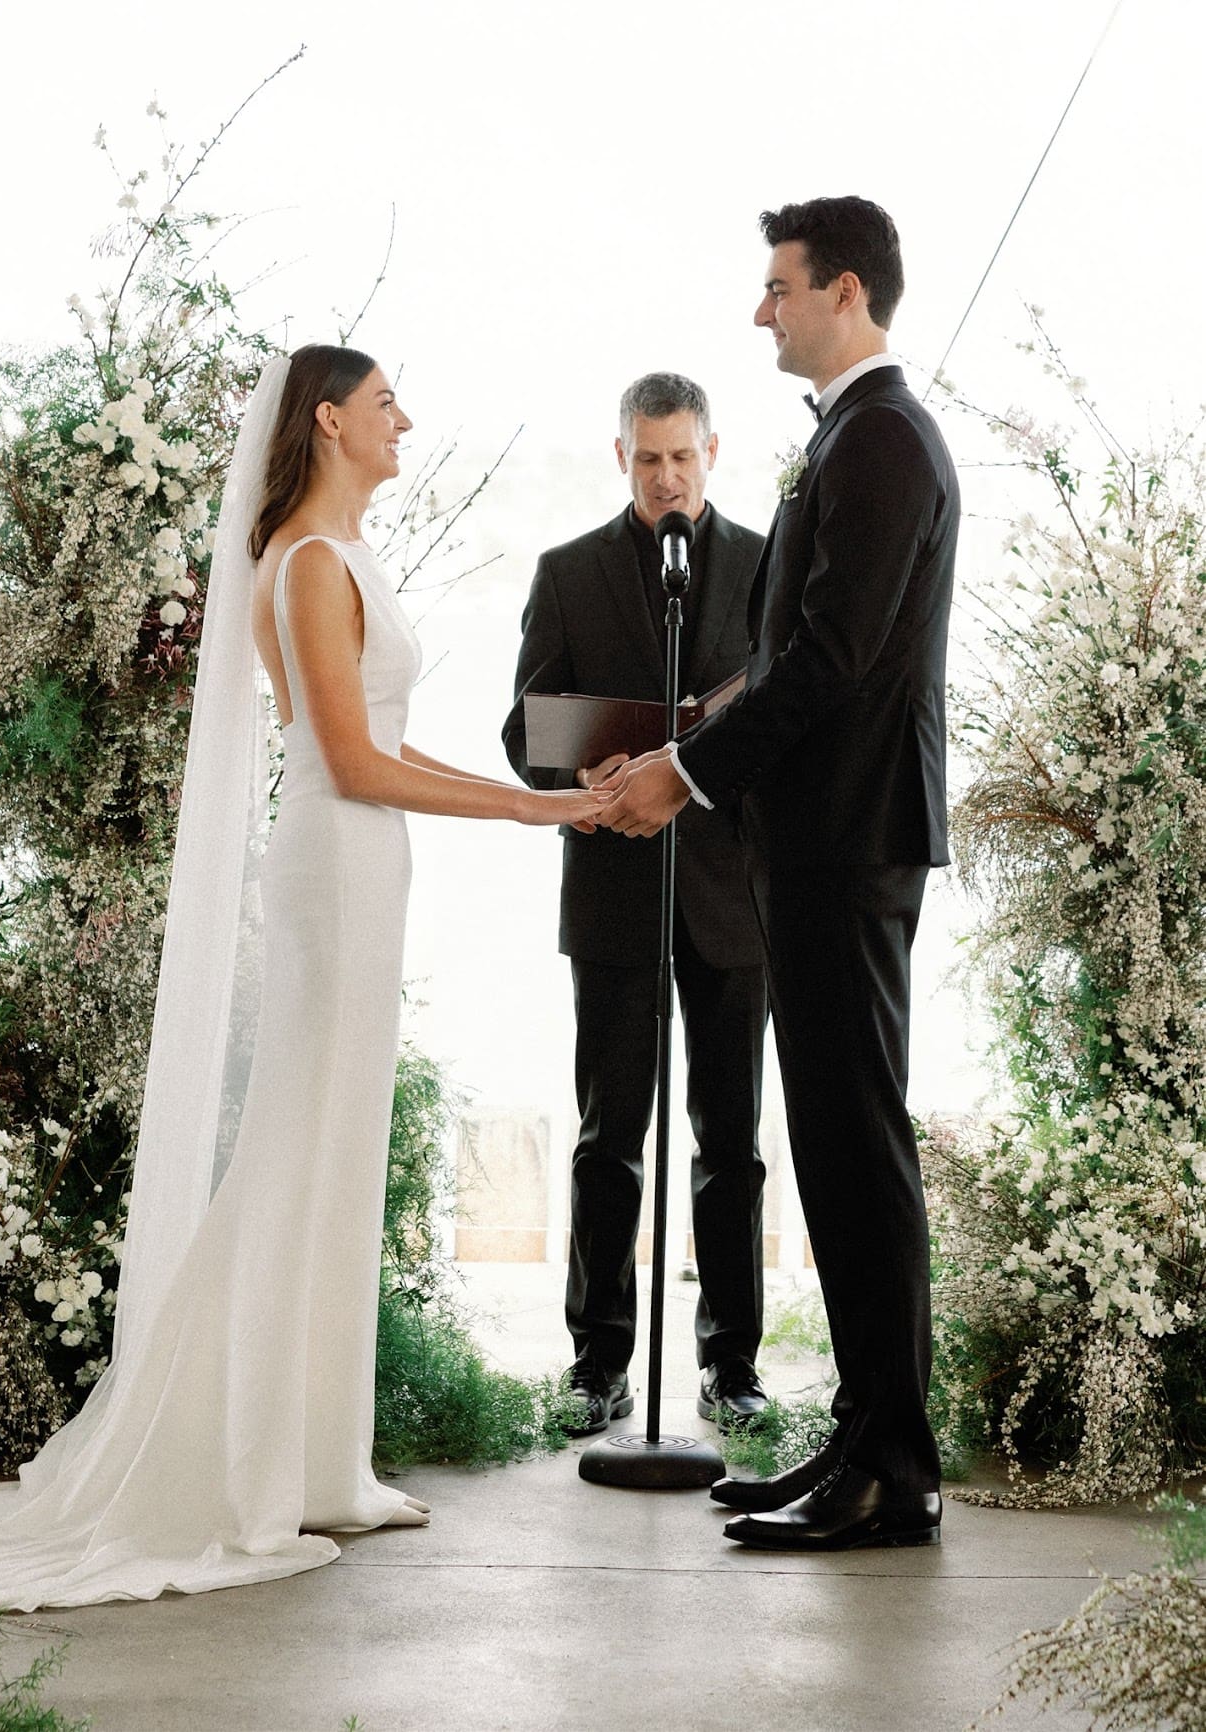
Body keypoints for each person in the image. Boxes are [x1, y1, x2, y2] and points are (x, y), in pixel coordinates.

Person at [0, 345, 603, 1610]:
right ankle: (249, 1465)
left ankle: (321, 1461)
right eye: (383, 405)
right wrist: (542, 816)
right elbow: (354, 764)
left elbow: (382, 739)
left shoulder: (342, 554)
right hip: (337, 863)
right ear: (326, 420)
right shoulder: (308, 563)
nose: (404, 420)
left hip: (369, 866)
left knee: (335, 1155)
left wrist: (541, 796)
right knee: (294, 1150)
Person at [598, 199, 959, 1551]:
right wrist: (700, 733)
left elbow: (836, 661)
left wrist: (687, 778)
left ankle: (897, 1468)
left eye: (778, 287)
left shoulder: (878, 439)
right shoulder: (857, 437)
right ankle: (865, 1437)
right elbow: (807, 649)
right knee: (834, 1143)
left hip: (851, 836)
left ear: (844, 292)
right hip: (824, 834)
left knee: (859, 1147)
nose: (762, 310)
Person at [503, 373, 770, 1435]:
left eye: (683, 458)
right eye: (647, 458)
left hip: (731, 892)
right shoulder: (566, 574)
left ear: (713, 452)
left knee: (731, 1138)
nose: (666, 477)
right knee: (609, 1131)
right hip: (613, 879)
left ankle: (733, 1366)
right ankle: (596, 1363)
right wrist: (594, 770)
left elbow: (798, 723)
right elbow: (523, 738)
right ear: (619, 457)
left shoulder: (766, 566)